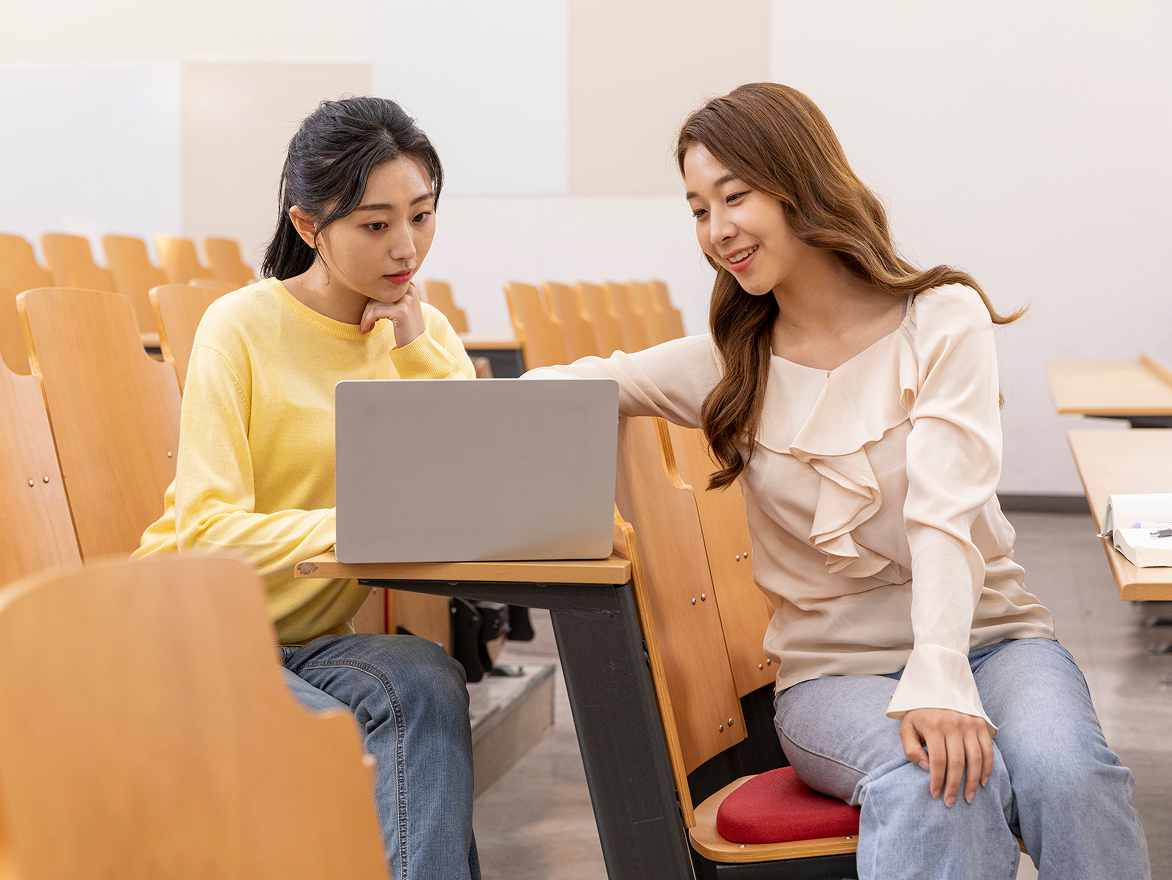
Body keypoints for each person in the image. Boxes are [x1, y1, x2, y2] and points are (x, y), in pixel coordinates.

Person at [530, 83, 1150, 879]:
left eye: (735, 195)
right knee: (940, 781)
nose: (716, 230)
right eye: (696, 208)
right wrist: (419, 341)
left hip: (992, 643)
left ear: (799, 182)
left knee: (1074, 777)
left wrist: (940, 673)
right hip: (832, 678)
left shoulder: (942, 319)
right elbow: (569, 388)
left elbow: (944, 512)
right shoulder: (729, 364)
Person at [134, 96, 480, 880]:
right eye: (375, 223)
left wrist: (418, 346)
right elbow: (208, 534)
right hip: (190, 635)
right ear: (307, 226)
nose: (407, 248)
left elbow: (472, 482)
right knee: (341, 748)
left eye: (421, 216)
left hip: (304, 645)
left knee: (428, 680)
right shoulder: (241, 326)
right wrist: (365, 523)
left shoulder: (422, 332)